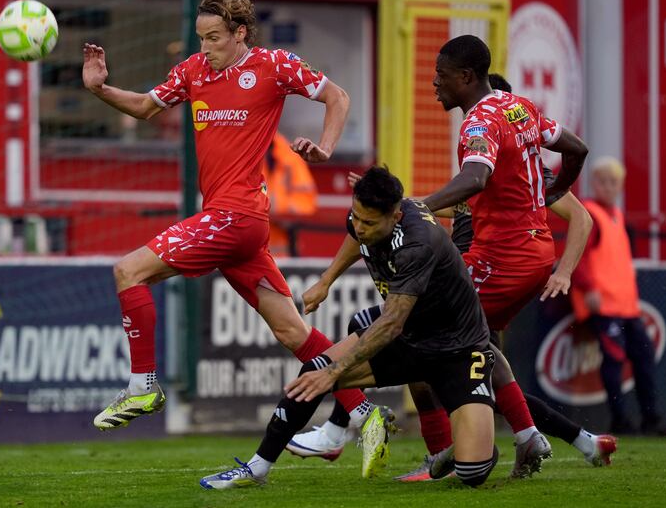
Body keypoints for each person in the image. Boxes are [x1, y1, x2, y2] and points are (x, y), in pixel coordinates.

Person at [82, 0, 374, 445]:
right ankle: (363, 413)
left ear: (240, 33)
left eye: (214, 38)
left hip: (236, 215)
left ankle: (143, 388)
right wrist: (100, 89)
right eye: (200, 38)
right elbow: (143, 107)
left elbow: (337, 97)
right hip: (236, 223)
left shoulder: (275, 65)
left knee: (127, 271)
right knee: (290, 329)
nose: (205, 48)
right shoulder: (193, 70)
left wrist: (326, 148)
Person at [290, 38, 591, 479]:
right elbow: (577, 148)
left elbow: (475, 177)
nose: (434, 84)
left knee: (393, 324)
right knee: (472, 345)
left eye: (441, 75)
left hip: (501, 260)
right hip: (532, 254)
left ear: (466, 77)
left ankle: (343, 427)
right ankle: (526, 437)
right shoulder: (519, 108)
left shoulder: (480, 124)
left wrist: (415, 208)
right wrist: (554, 190)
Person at [200, 167, 499, 489]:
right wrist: (326, 281)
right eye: (355, 217)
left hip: (457, 349)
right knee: (312, 373)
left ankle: (473, 447)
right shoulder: (363, 220)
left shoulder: (417, 244)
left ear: (396, 216)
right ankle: (256, 468)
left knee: (473, 474)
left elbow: (391, 322)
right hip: (412, 339)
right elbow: (357, 240)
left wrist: (336, 372)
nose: (359, 227)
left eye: (369, 223)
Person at [571, 156, 666, 436]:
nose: (608, 186)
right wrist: (589, 288)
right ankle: (620, 420)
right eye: (603, 180)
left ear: (620, 186)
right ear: (594, 183)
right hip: (604, 303)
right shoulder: (589, 213)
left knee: (644, 357)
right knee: (614, 360)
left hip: (626, 306)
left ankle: (650, 419)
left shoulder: (617, 217)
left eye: (613, 182)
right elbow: (577, 256)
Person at [263, 131, 318, 256]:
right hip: (252, 253)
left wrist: (279, 209)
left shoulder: (290, 157)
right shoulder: (244, 154)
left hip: (284, 253)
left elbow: (307, 203)